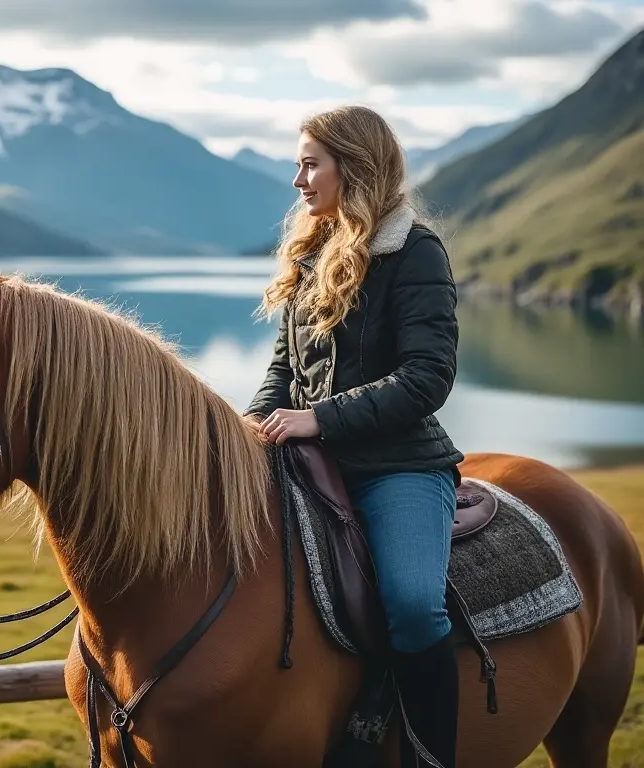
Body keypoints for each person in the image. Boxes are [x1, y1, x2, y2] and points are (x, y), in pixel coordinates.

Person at [244, 105, 464, 768]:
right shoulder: (310, 250)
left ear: (354, 165)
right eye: (298, 163)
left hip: (398, 467)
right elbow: (283, 370)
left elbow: (428, 378)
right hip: (305, 462)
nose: (298, 179)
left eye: (311, 163)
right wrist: (248, 430)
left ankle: (430, 758)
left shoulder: (414, 250)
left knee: (414, 605)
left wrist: (322, 419)